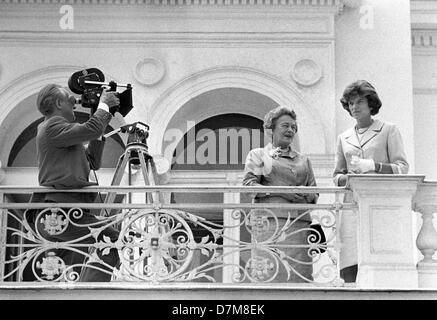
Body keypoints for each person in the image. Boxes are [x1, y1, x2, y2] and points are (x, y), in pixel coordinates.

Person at [25, 83, 121, 282]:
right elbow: (92, 129)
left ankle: (77, 290)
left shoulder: (62, 136)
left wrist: (103, 113)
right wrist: (102, 107)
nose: (74, 103)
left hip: (65, 212)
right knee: (111, 239)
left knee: (63, 270)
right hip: (58, 213)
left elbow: (92, 161)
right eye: (70, 100)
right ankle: (91, 293)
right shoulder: (51, 125)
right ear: (59, 103)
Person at [333, 80, 409, 282]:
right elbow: (336, 175)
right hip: (351, 206)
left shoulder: (388, 130)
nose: (354, 107)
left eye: (359, 102)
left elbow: (402, 168)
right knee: (351, 260)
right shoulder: (344, 137)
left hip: (381, 205)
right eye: (350, 104)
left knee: (381, 263)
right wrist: (347, 179)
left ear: (371, 104)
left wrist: (374, 166)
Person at [242, 106, 319, 283]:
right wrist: (284, 192)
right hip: (269, 225)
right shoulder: (259, 155)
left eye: (293, 127)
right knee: (270, 279)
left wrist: (304, 195)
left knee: (300, 281)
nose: (290, 130)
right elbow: (248, 186)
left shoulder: (304, 160)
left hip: (300, 226)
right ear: (271, 129)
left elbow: (314, 192)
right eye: (285, 125)